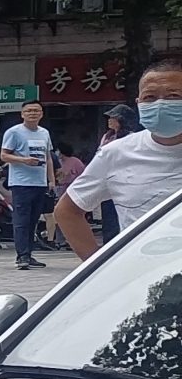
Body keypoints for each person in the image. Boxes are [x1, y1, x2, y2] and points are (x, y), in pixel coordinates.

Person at [56, 59, 182, 260]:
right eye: (150, 97)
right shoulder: (116, 153)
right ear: (139, 104)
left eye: (173, 96)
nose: (160, 104)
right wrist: (101, 267)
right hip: (144, 272)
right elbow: (67, 211)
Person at [0, 100, 55, 271]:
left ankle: (29, 254)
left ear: (41, 114)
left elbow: (48, 158)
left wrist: (51, 180)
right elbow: (4, 156)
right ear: (22, 114)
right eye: (29, 111)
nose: (32, 113)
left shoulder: (44, 133)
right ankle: (22, 256)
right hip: (21, 183)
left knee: (33, 221)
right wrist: (24, 160)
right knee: (21, 220)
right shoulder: (14, 132)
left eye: (36, 110)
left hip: (40, 183)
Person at [95, 104, 137, 238]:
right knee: (108, 218)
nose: (109, 120)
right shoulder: (107, 137)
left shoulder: (132, 138)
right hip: (107, 181)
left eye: (113, 117)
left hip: (125, 182)